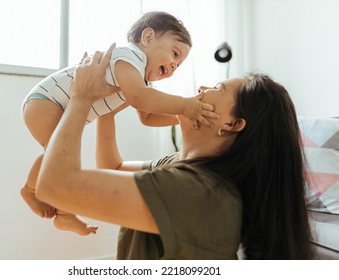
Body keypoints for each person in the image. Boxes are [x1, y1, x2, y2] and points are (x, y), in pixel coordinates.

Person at [35, 46, 314, 259]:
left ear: (231, 124)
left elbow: (54, 187)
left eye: (218, 88)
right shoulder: (183, 166)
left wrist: (81, 98)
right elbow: (113, 168)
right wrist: (105, 107)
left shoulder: (199, 191)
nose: (202, 89)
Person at [20, 11, 215, 236]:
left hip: (57, 105)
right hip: (45, 101)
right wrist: (185, 105)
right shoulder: (128, 56)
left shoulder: (141, 79)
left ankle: (62, 212)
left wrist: (185, 115)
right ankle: (32, 191)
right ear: (148, 38)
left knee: (60, 152)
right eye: (174, 53)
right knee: (58, 153)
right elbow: (138, 98)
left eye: (179, 65)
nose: (173, 66)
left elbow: (148, 116)